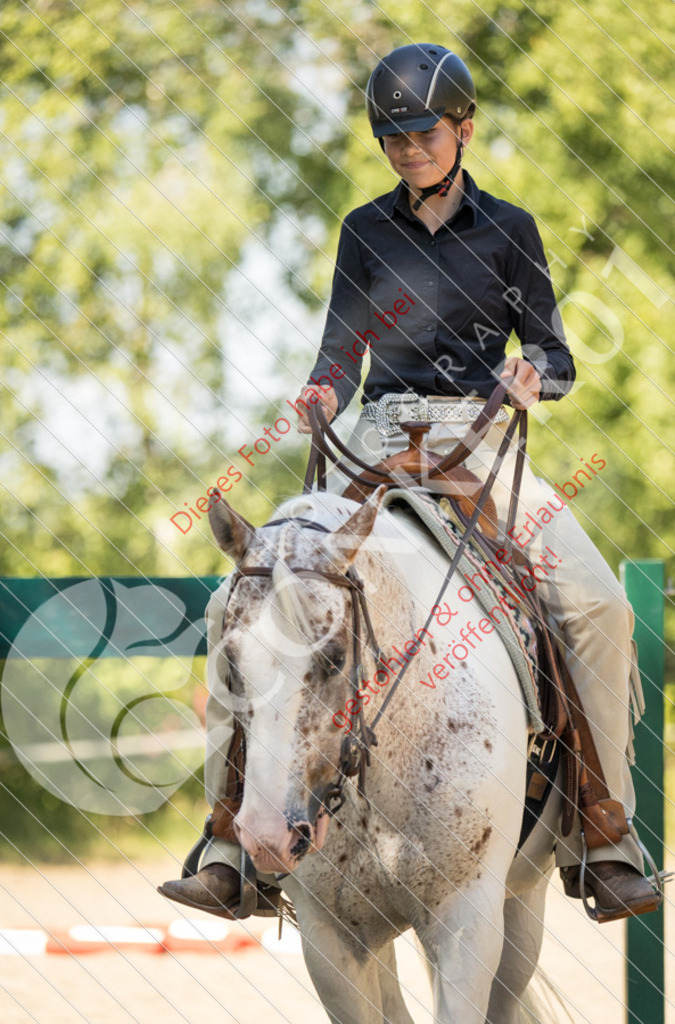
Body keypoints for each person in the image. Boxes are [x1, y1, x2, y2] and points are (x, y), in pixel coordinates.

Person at [159, 43, 657, 922]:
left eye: (421, 134)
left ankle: (605, 831)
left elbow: (557, 351)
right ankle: (230, 839)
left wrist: (534, 373)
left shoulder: (512, 229)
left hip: (477, 447)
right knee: (233, 602)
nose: (406, 150)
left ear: (462, 129)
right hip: (373, 443)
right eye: (390, 138)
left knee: (598, 606)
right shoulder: (363, 228)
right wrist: (319, 389)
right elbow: (339, 355)